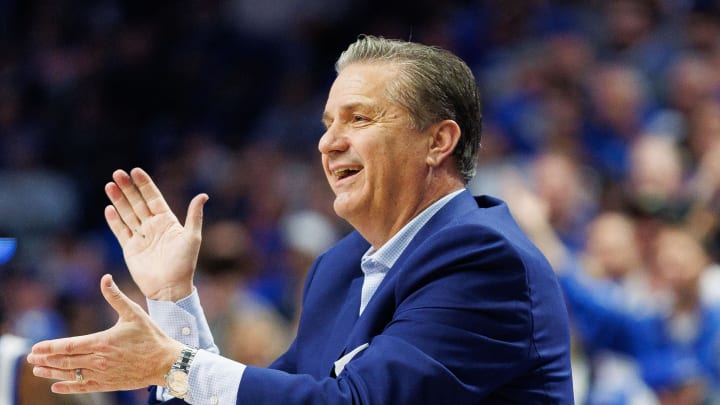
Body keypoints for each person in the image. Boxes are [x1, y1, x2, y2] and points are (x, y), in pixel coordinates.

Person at [26, 35, 574, 404]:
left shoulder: (483, 260)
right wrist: (173, 301)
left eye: (359, 118)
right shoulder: (337, 269)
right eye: (327, 122)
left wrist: (173, 364)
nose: (329, 142)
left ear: (438, 141)